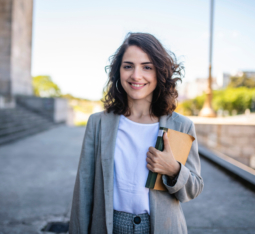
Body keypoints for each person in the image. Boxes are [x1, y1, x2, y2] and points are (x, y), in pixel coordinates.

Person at [69, 32, 204, 234]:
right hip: (107, 227)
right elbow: (83, 191)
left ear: (159, 72)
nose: (136, 75)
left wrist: (174, 169)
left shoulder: (181, 125)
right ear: (118, 72)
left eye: (147, 67)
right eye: (128, 66)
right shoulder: (98, 124)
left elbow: (193, 189)